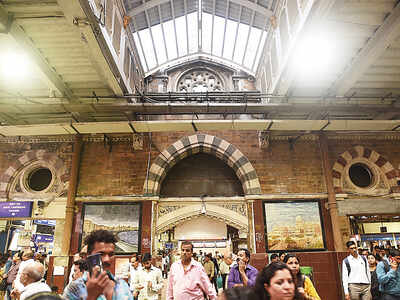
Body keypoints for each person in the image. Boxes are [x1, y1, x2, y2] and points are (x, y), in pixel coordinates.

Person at [63, 229, 133, 300]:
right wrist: (91, 296)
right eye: (101, 254)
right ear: (88, 256)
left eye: (111, 254)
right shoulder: (75, 288)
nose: (107, 259)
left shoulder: (122, 285)